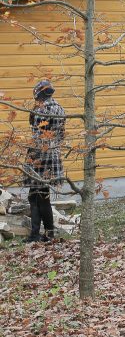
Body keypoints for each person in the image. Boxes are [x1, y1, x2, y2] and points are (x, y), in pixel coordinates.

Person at [23, 80, 65, 243]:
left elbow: (36, 134)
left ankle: (39, 234)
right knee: (42, 194)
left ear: (39, 93)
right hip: (53, 153)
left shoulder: (40, 109)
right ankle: (47, 234)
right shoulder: (60, 108)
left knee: (36, 195)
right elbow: (61, 135)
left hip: (39, 153)